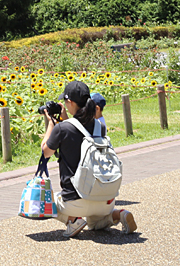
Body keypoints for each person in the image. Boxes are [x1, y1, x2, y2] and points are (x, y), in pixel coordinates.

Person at [41, 81, 137, 238]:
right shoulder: (100, 126)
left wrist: (52, 123)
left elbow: (45, 152)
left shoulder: (62, 129)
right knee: (93, 224)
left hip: (75, 202)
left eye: (65, 102)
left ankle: (73, 221)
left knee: (46, 202)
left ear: (70, 102)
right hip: (105, 198)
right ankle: (117, 214)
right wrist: (65, 119)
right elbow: (79, 131)